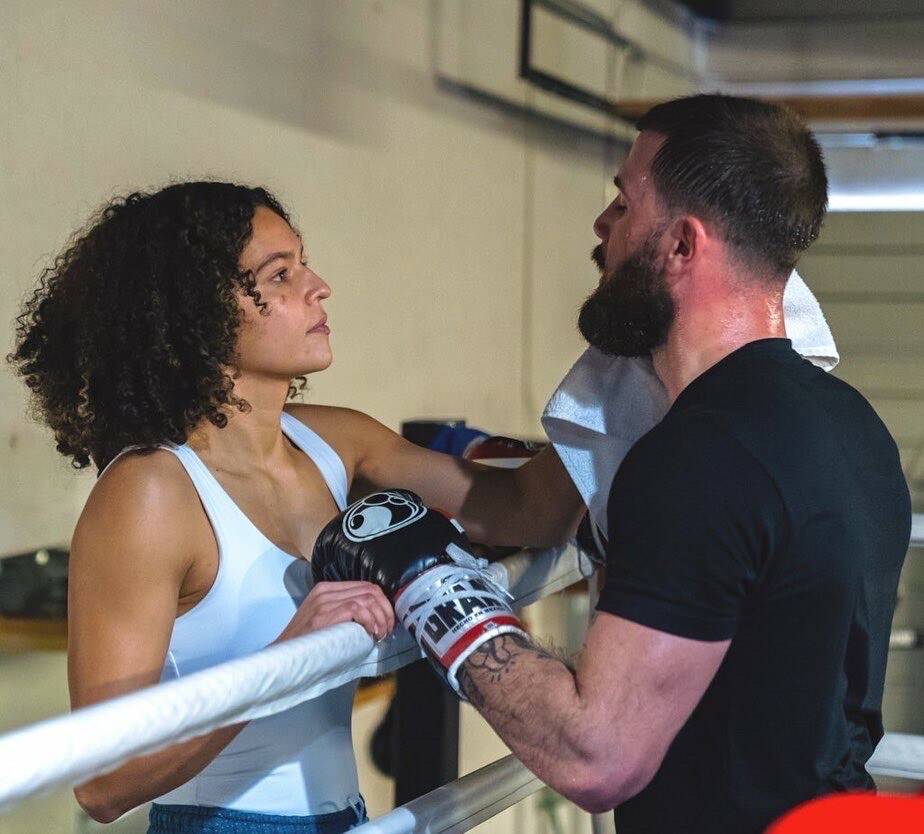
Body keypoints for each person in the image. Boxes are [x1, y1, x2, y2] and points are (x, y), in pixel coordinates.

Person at [311, 95, 913, 834]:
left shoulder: (701, 458)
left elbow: (595, 756)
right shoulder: (851, 425)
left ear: (683, 246)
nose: (602, 225)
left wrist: (429, 581)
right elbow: (533, 506)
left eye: (624, 204)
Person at [8, 182, 582, 833]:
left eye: (303, 262)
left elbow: (528, 509)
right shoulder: (149, 493)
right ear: (198, 311)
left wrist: (624, 365)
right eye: (280, 274)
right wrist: (285, 661)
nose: (319, 286)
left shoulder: (337, 441)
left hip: (347, 816)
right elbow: (102, 784)